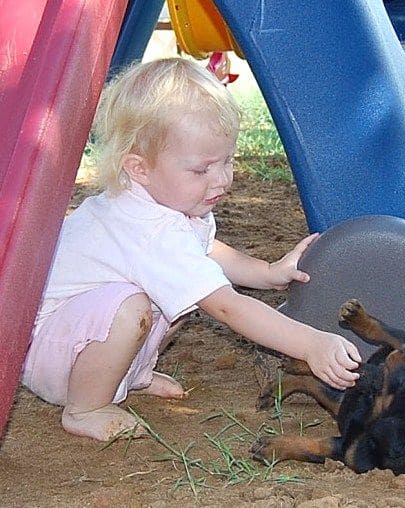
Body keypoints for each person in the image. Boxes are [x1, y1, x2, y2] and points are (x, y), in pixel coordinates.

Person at [21, 58, 361, 442]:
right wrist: (310, 343)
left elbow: (206, 251)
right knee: (138, 305)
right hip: (52, 353)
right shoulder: (151, 230)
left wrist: (266, 272)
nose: (222, 179)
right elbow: (227, 306)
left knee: (172, 290)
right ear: (139, 168)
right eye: (202, 170)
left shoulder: (168, 204)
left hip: (77, 338)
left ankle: (130, 374)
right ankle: (86, 406)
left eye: (228, 160)